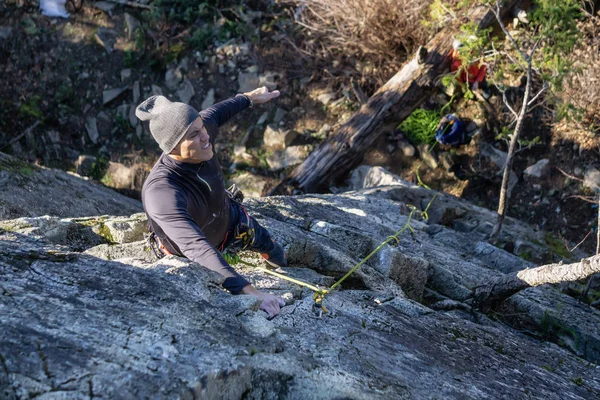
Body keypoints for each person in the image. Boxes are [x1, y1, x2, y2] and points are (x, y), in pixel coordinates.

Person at [136, 87, 287, 318]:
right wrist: (252, 292)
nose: (206, 137)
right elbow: (196, 248)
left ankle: (274, 257)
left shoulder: (199, 133)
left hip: (231, 221)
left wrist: (248, 99)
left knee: (275, 250)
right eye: (194, 135)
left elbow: (216, 113)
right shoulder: (162, 191)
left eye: (202, 128)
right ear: (173, 147)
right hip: (188, 257)